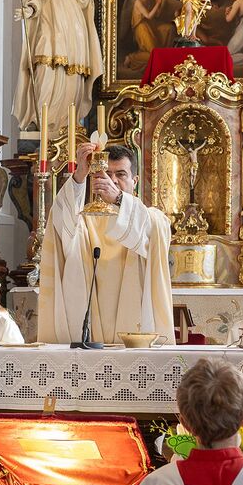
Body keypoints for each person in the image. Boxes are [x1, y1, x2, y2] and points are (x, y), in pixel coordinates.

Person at [38, 144, 174, 345]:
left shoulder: (151, 218)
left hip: (134, 320)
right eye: (107, 174)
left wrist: (119, 199)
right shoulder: (84, 221)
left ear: (135, 181)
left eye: (121, 174)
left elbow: (150, 231)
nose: (113, 180)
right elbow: (60, 223)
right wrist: (79, 176)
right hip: (89, 323)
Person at [12, 0, 103, 136]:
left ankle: (67, 122)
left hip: (74, 26)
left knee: (72, 74)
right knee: (45, 67)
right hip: (49, 19)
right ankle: (39, 118)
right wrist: (31, 9)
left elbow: (85, 2)